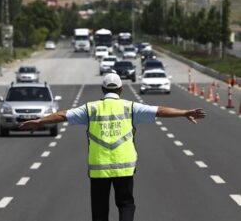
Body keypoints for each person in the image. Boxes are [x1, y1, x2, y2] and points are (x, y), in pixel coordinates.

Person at [20, 73, 206, 221]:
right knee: (126, 204)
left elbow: (62, 115)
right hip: (124, 167)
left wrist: (39, 121)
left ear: (102, 89)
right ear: (121, 89)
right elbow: (160, 110)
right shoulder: (130, 107)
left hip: (99, 169)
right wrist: (184, 112)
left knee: (100, 211)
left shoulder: (90, 108)